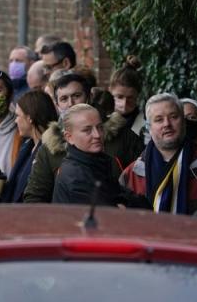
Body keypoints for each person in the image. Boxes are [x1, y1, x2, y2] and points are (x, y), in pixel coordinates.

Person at [23, 72, 141, 203]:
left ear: (89, 97)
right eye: (64, 99)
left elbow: (142, 181)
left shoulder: (122, 135)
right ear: (57, 105)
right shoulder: (50, 147)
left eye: (77, 96)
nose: (70, 103)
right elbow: (35, 197)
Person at [120, 93, 197, 215]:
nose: (167, 124)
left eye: (173, 117)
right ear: (149, 128)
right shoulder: (131, 175)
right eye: (159, 119)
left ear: (183, 121)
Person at [53, 104, 147, 207]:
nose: (97, 135)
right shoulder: (76, 176)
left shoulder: (97, 163)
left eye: (100, 127)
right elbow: (108, 217)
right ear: (69, 137)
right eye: (87, 130)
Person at [0, 90, 58, 203]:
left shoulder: (52, 151)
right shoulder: (27, 146)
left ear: (30, 118)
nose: (16, 121)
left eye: (18, 115)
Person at [110, 56, 146, 139]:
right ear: (110, 91)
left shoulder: (145, 124)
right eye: (119, 97)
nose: (124, 103)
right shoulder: (99, 120)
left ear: (137, 96)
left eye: (130, 98)